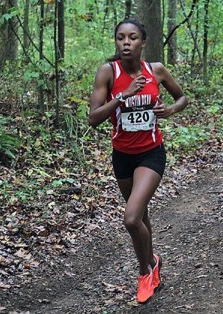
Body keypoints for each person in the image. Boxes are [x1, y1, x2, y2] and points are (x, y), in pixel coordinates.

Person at [88, 18, 188, 304]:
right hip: (122, 157)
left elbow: (182, 98)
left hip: (151, 153)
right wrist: (122, 96)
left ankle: (145, 272)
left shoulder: (155, 70)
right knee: (141, 215)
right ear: (116, 42)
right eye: (121, 38)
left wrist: (169, 109)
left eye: (132, 38)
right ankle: (153, 264)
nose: (126, 43)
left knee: (131, 218)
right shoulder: (108, 72)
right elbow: (94, 119)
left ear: (143, 42)